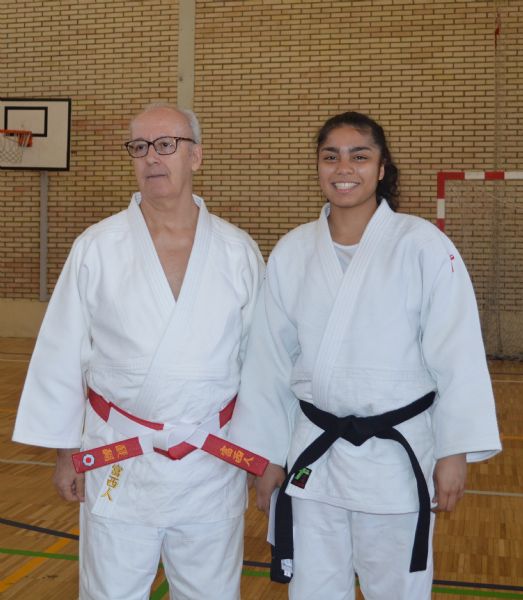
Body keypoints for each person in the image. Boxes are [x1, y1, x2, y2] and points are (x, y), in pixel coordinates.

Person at [228, 111, 501, 599]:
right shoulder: (293, 251)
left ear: (380, 168)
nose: (343, 168)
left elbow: (457, 353)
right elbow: (268, 362)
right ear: (318, 167)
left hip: (395, 461)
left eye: (359, 156)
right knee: (312, 590)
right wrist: (266, 457)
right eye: (330, 156)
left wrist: (454, 451)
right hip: (315, 457)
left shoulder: (423, 246)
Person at [12, 103, 265, 600]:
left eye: (167, 144)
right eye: (140, 147)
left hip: (209, 462)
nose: (152, 157)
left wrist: (264, 455)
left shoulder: (237, 251)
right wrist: (66, 453)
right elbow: (62, 353)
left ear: (196, 156)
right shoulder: (97, 247)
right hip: (119, 459)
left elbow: (262, 363)